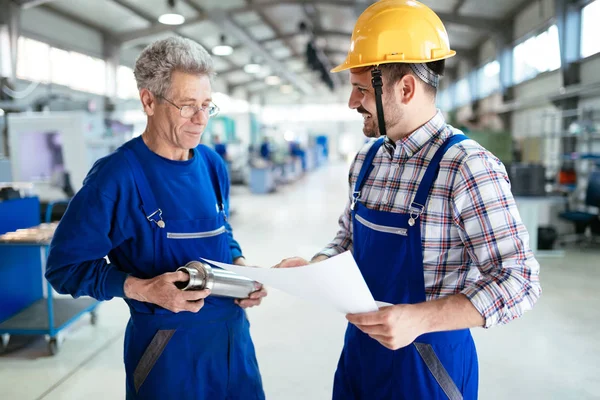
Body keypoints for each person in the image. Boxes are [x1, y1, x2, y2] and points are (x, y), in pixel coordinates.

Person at [275, 1, 541, 399]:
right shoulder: (367, 159)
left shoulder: (466, 167)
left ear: (405, 88)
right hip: (361, 357)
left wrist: (420, 318)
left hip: (429, 370)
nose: (351, 103)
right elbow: (347, 240)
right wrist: (313, 269)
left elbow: (520, 280)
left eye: (361, 89)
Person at [45, 37, 267, 400]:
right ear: (149, 101)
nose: (200, 120)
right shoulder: (116, 178)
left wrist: (243, 270)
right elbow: (64, 268)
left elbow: (222, 231)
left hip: (232, 343)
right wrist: (143, 289)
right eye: (187, 106)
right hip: (166, 354)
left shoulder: (211, 164)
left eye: (207, 106)